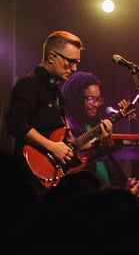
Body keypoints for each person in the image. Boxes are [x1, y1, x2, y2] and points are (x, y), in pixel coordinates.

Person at [5, 32, 112, 184]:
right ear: (51, 57)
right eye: (70, 62)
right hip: (29, 176)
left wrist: (99, 142)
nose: (74, 68)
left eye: (77, 63)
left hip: (52, 176)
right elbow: (16, 124)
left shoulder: (57, 94)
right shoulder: (29, 85)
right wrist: (52, 147)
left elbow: (67, 144)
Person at [62, 71, 128, 188]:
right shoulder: (68, 127)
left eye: (98, 99)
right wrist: (100, 142)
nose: (96, 104)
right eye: (90, 99)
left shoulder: (95, 126)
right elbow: (78, 153)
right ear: (76, 99)